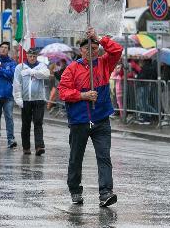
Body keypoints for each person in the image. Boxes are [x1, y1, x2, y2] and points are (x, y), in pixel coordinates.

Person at [58, 28, 122, 207]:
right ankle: (75, 190)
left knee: (104, 157)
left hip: (101, 119)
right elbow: (63, 92)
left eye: (95, 48)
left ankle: (106, 192)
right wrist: (82, 96)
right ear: (81, 50)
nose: (92, 51)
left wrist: (99, 38)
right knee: (76, 157)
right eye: (88, 49)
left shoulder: (105, 63)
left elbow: (117, 50)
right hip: (79, 121)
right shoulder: (71, 69)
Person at [13, 48, 50, 156]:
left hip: (38, 99)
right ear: (27, 56)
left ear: (36, 56)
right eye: (30, 56)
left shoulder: (42, 66)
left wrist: (32, 72)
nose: (32, 58)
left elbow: (45, 75)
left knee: (38, 123)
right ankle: (26, 147)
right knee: (26, 124)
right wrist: (18, 98)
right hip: (26, 100)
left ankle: (39, 146)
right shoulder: (20, 67)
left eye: (34, 56)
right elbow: (16, 83)